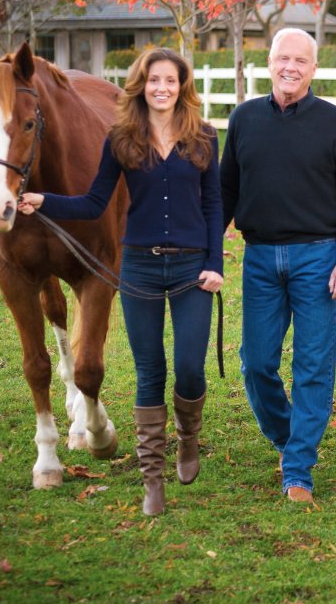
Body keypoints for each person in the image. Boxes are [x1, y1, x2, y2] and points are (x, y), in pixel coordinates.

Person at [19, 48, 223, 516]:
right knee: (149, 370)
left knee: (191, 367)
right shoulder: (121, 140)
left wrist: (215, 262)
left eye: (170, 81)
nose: (162, 89)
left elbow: (214, 206)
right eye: (154, 81)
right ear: (141, 86)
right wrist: (42, 200)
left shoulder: (204, 138)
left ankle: (187, 437)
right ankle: (153, 478)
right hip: (140, 268)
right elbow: (92, 203)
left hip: (194, 269)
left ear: (182, 86)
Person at [220, 27, 336, 503]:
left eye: (300, 61)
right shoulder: (244, 118)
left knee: (313, 366)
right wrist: (206, 253)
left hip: (319, 257)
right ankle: (288, 439)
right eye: (283, 58)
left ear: (314, 68)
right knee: (256, 363)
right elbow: (225, 189)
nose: (291, 67)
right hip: (260, 257)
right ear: (269, 62)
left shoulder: (335, 123)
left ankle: (299, 470)